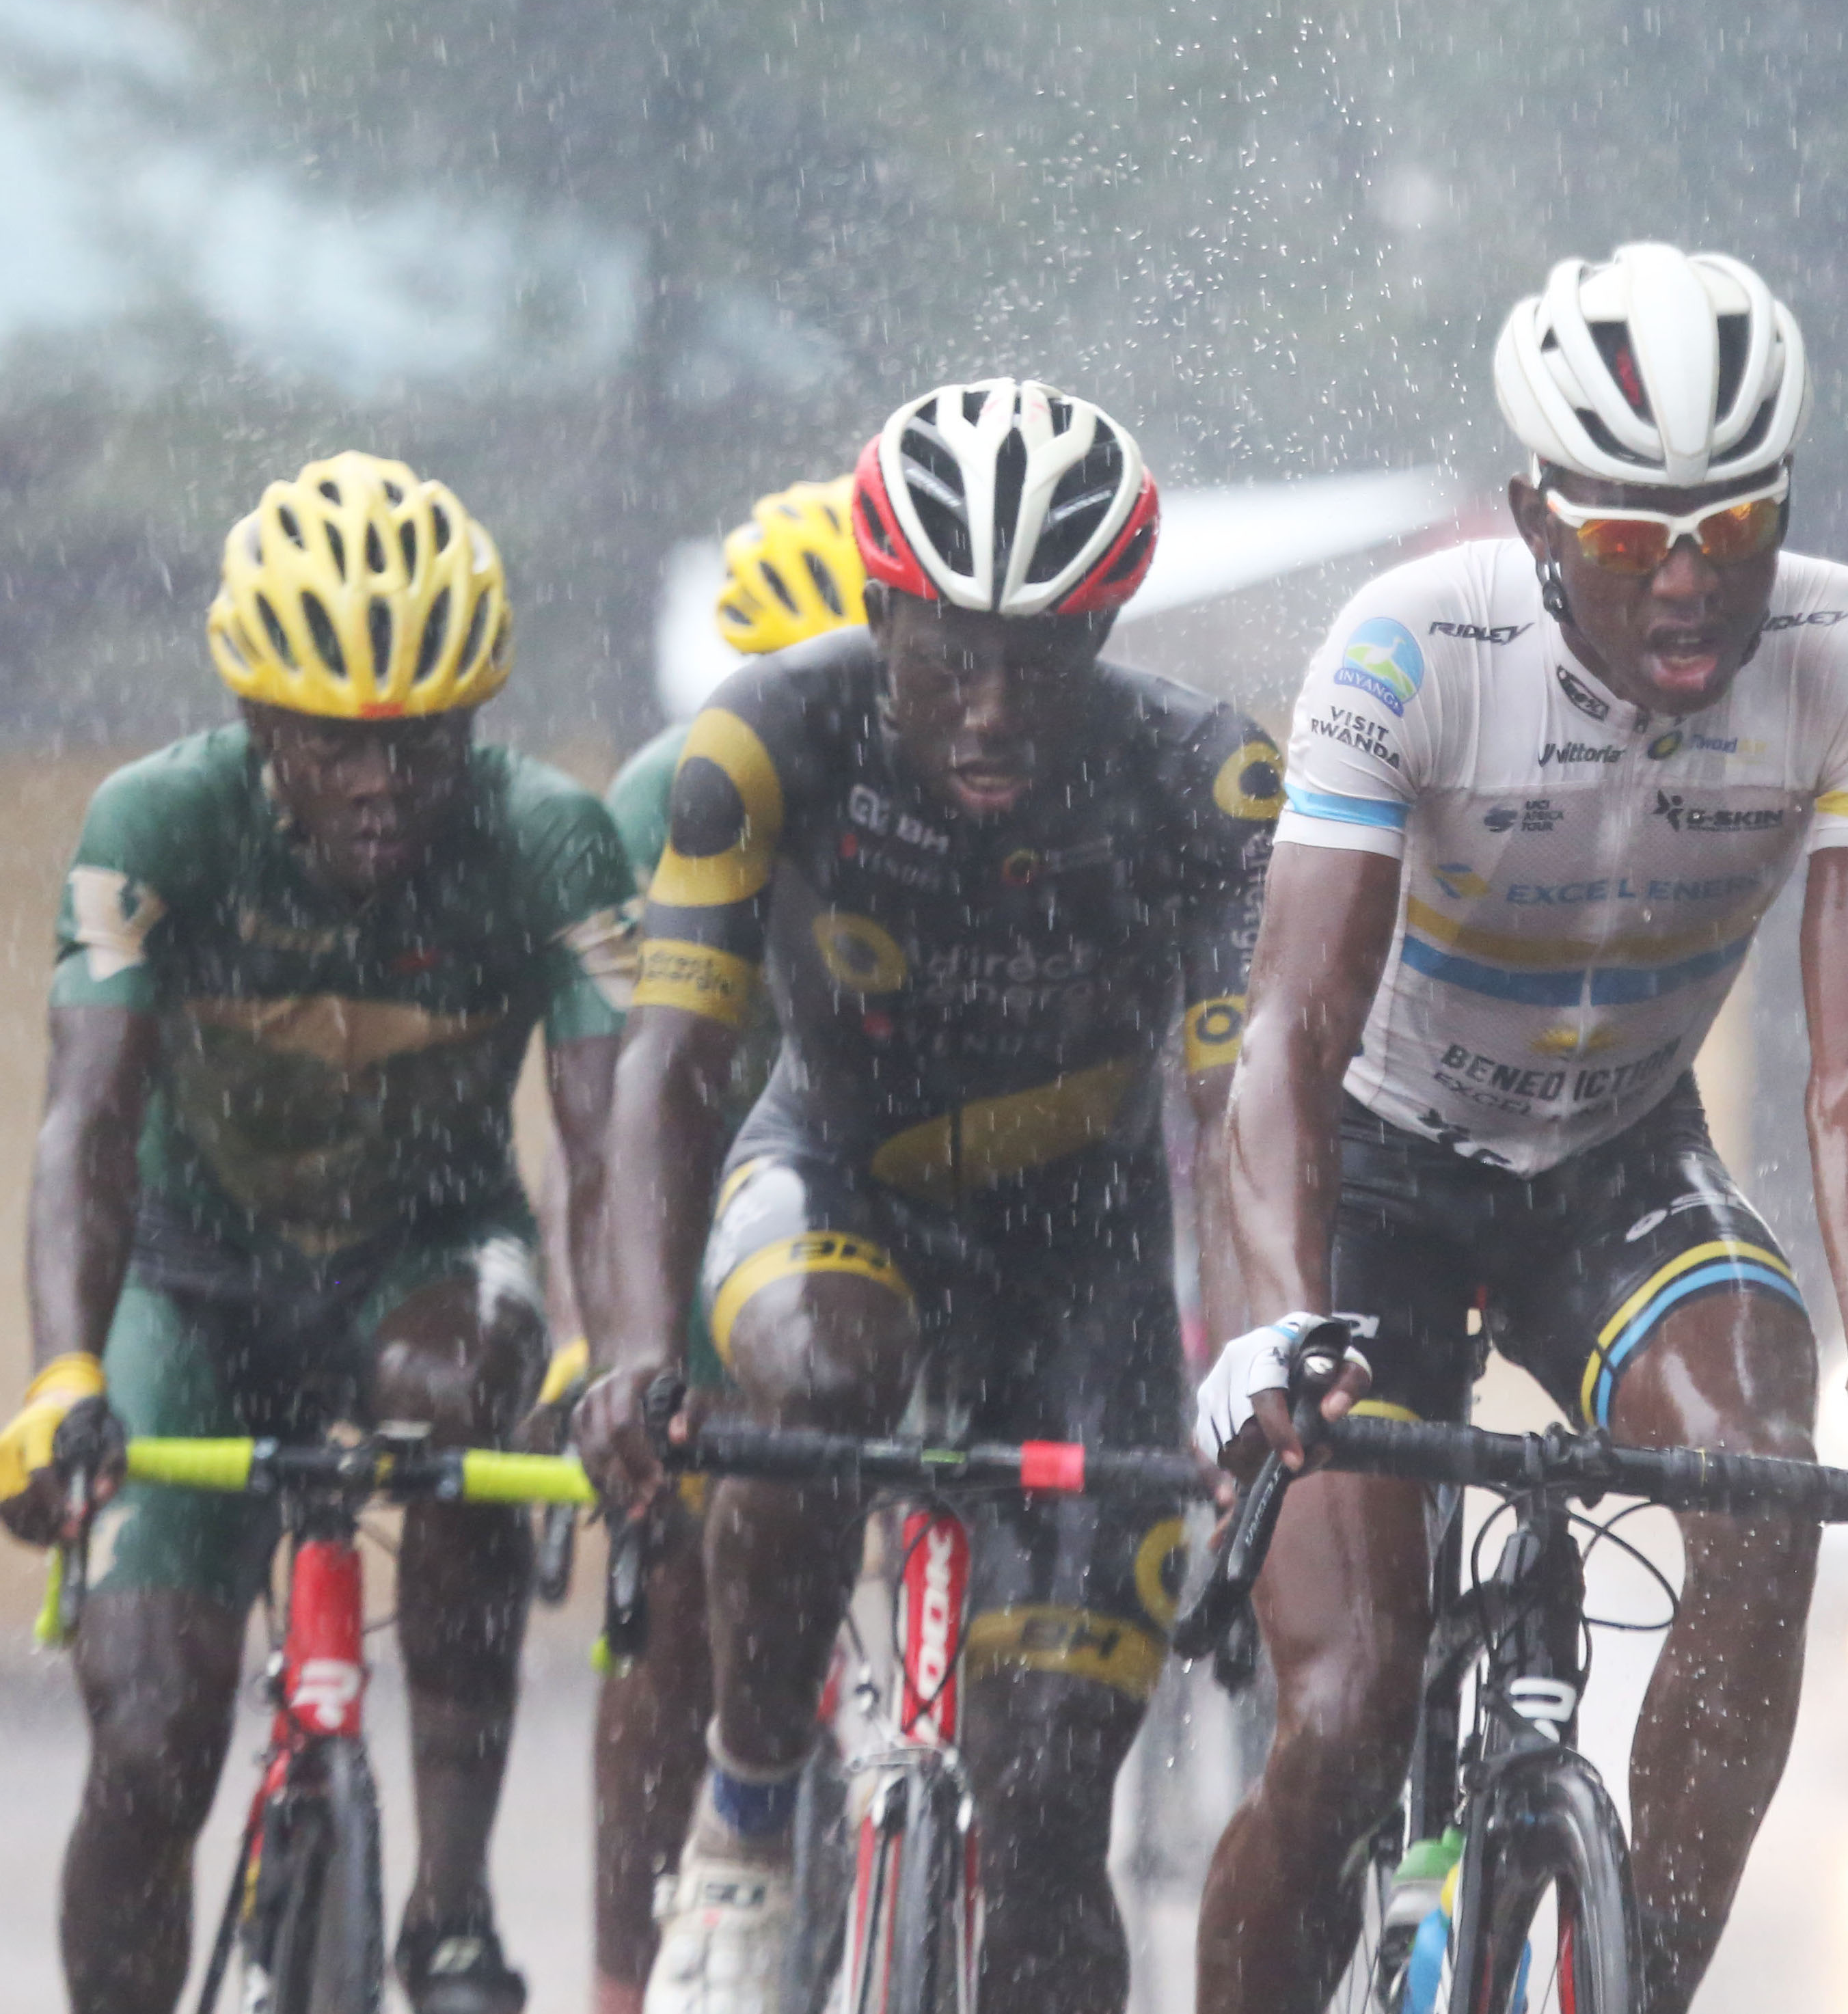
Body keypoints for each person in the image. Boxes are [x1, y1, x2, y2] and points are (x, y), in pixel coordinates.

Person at [1189, 245, 1848, 2014]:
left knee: (1763, 1478)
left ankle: (1628, 1991)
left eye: (1736, 525)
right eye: (1634, 541)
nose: (1692, 587)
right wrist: (1260, 1316)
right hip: (1379, 1177)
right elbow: (1290, 1032)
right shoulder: (1410, 646)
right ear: (1534, 519)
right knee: (1341, 1709)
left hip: (1619, 1159)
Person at [575, 377, 1280, 2014]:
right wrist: (630, 1350)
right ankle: (748, 1822)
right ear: (878, 605)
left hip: (1080, 1265)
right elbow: (671, 1068)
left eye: (1039, 660)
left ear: (1104, 631)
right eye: (945, 652)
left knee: (1046, 1823)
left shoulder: (1203, 781)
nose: (987, 708)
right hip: (836, 1184)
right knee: (816, 1371)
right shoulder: (765, 738)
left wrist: (1252, 1365)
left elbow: (1240, 1115)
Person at [0, 452, 637, 2014]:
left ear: (473, 724)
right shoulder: (159, 821)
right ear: (256, 723)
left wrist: (603, 1353)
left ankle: (454, 1908)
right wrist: (67, 1373)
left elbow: (608, 1137)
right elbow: (82, 1123)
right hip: (191, 1286)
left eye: (423, 744)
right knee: (151, 1744)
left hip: (428, 1263)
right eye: (333, 746)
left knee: (465, 1393)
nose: (382, 783)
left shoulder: (549, 839)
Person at [585, 476, 863, 2014]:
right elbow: (633, 1109)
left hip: (891, 1195)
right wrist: (625, 1351)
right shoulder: (662, 804)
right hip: (721, 1204)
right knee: (679, 1574)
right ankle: (627, 1974)